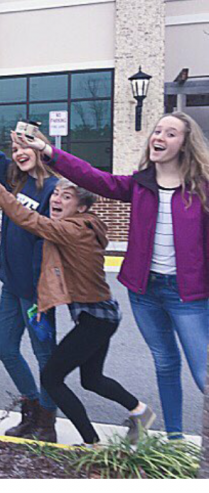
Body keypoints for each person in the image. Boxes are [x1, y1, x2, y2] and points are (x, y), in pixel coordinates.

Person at [15, 112, 209, 440]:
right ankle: (174, 439)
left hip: (187, 293)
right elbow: (92, 177)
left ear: (185, 144)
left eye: (171, 133)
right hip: (145, 292)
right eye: (157, 130)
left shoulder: (201, 189)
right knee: (165, 364)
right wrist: (49, 152)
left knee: (203, 373)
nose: (159, 136)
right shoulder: (140, 184)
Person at [0, 154, 155, 446]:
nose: (56, 199)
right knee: (91, 379)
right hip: (101, 315)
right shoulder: (80, 225)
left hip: (96, 320)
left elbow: (25, 218)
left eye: (66, 196)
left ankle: (91, 441)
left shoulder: (73, 230)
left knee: (52, 378)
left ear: (81, 207)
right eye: (56, 193)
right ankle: (140, 411)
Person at [0, 103, 59, 441]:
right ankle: (31, 408)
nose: (20, 153)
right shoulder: (13, 177)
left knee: (44, 355)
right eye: (16, 147)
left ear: (41, 147)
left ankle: (47, 423)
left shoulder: (53, 189)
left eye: (27, 146)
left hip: (38, 290)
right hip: (11, 283)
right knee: (5, 348)